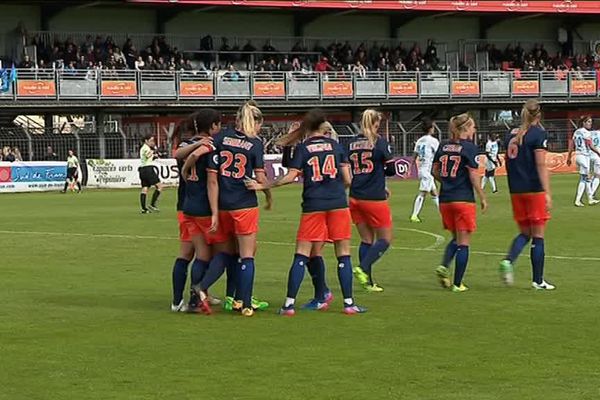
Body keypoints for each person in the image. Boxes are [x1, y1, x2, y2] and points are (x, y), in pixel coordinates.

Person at [247, 109, 367, 316]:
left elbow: (290, 176)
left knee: (302, 254)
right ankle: (349, 303)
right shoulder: (337, 146)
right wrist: (338, 192)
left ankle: (289, 304)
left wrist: (264, 186)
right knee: (343, 254)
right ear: (323, 126)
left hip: (313, 205)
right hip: (338, 203)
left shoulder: (303, 148)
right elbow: (348, 179)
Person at [207, 101, 272, 317]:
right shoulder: (255, 143)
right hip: (244, 204)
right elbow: (261, 178)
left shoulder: (220, 138)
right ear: (254, 122)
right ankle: (245, 303)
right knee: (247, 255)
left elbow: (212, 174)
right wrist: (268, 193)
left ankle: (230, 298)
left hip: (223, 205)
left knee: (229, 253)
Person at [498, 99, 555, 290]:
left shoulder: (511, 134)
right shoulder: (538, 133)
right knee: (538, 236)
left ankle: (509, 261)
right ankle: (538, 281)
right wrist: (547, 193)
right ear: (538, 115)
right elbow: (540, 164)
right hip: (533, 189)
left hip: (516, 190)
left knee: (525, 233)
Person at [433, 113, 487, 292]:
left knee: (456, 238)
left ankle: (444, 265)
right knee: (464, 242)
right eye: (472, 127)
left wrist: (448, 182)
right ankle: (458, 283)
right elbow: (473, 175)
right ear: (465, 129)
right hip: (463, 199)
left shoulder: (443, 145)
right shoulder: (470, 148)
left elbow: (434, 171)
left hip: (445, 199)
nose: (474, 130)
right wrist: (482, 196)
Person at [170, 112, 217, 312]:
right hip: (196, 205)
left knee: (194, 253)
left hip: (186, 204)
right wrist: (200, 145)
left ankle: (186, 298)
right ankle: (189, 298)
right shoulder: (202, 146)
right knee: (195, 254)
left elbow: (178, 154)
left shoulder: (186, 145)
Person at [347, 109, 396, 292]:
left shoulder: (351, 143)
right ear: (376, 124)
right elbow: (391, 170)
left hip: (355, 195)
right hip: (373, 197)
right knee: (385, 239)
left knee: (366, 239)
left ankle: (368, 282)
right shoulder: (379, 142)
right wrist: (378, 174)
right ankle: (362, 268)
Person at [410, 118, 440, 223]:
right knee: (422, 193)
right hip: (428, 170)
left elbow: (414, 155)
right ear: (430, 128)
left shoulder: (419, 140)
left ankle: (444, 214)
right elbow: (439, 155)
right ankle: (414, 215)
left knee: (434, 193)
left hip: (422, 169)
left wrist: (410, 167)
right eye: (433, 127)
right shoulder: (433, 141)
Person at [566, 115, 600, 207]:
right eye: (588, 122)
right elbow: (591, 146)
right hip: (584, 156)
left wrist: (569, 157)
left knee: (583, 179)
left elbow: (571, 144)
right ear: (584, 123)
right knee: (587, 178)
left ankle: (580, 200)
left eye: (591, 122)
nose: (590, 123)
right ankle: (589, 199)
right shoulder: (586, 133)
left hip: (578, 155)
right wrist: (598, 153)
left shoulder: (577, 131)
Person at [138, 135, 163, 213]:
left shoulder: (144, 148)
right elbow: (148, 155)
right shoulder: (146, 148)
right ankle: (152, 205)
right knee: (159, 186)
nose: (153, 142)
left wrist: (155, 156)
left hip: (142, 169)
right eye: (151, 140)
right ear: (146, 141)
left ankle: (144, 209)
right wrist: (154, 151)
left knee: (145, 188)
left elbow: (148, 158)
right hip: (148, 169)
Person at [590, 127, 600, 198]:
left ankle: (589, 190)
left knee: (591, 174)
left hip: (588, 156)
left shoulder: (589, 133)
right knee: (598, 176)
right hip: (597, 156)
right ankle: (592, 193)